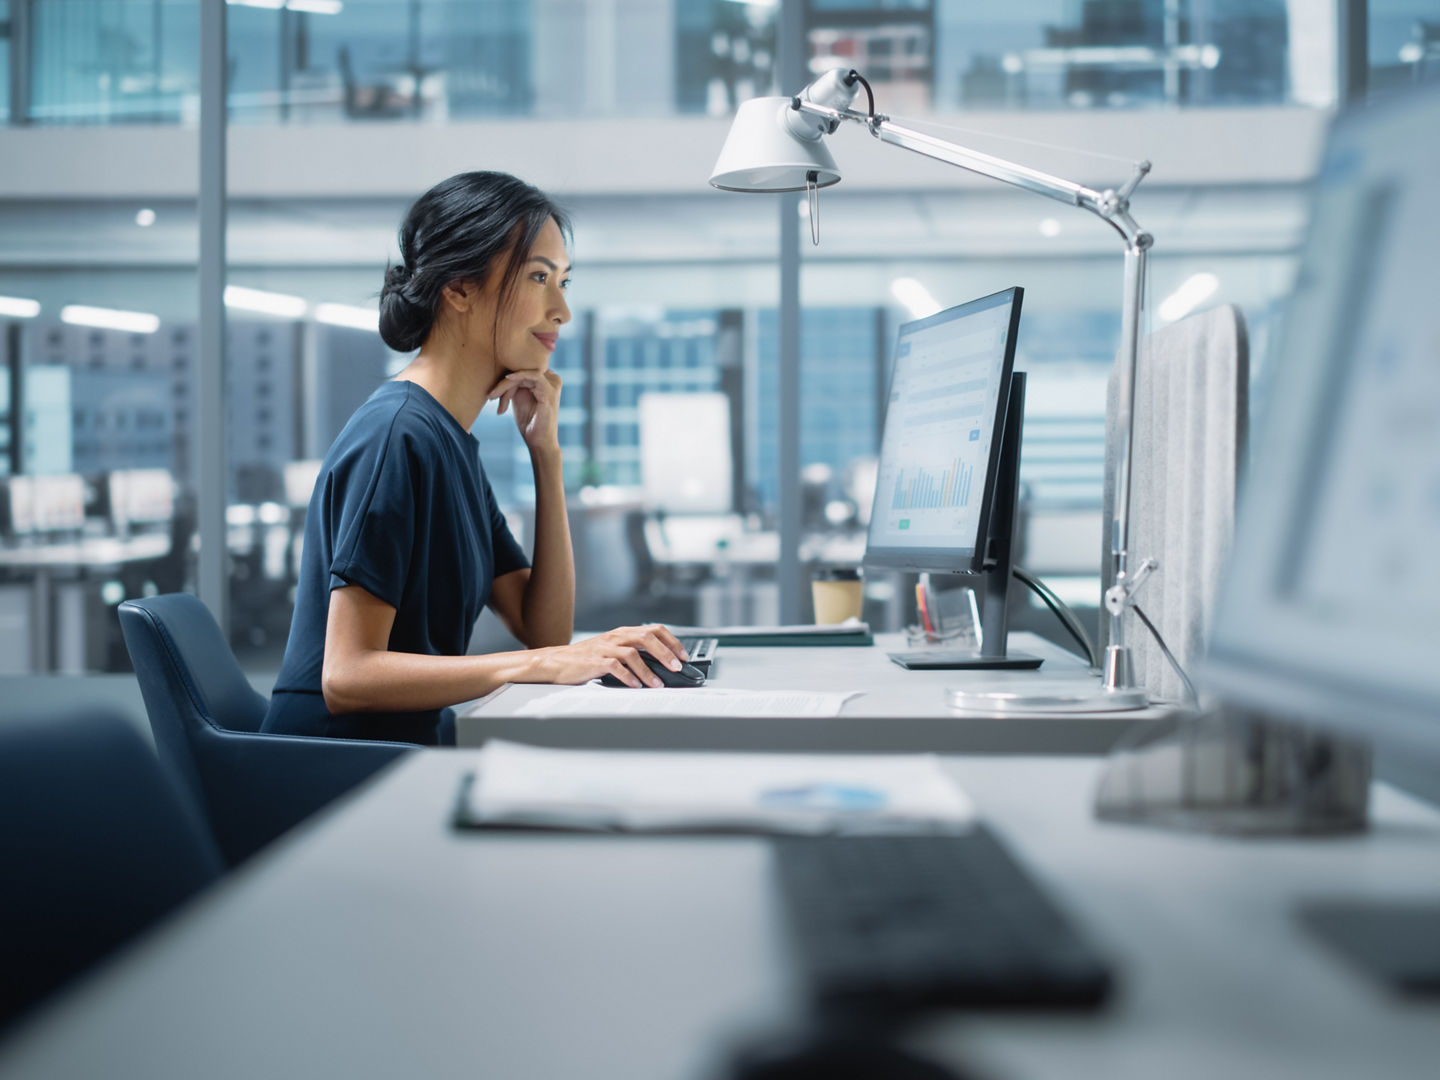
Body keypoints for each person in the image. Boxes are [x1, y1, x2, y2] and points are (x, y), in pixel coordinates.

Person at [263, 171, 688, 746]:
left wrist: (546, 455)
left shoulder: (450, 442)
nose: (561, 309)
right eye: (540, 278)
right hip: (334, 771)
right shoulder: (396, 437)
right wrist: (535, 666)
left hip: (406, 752)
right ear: (459, 288)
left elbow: (544, 629)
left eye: (563, 282)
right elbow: (347, 674)